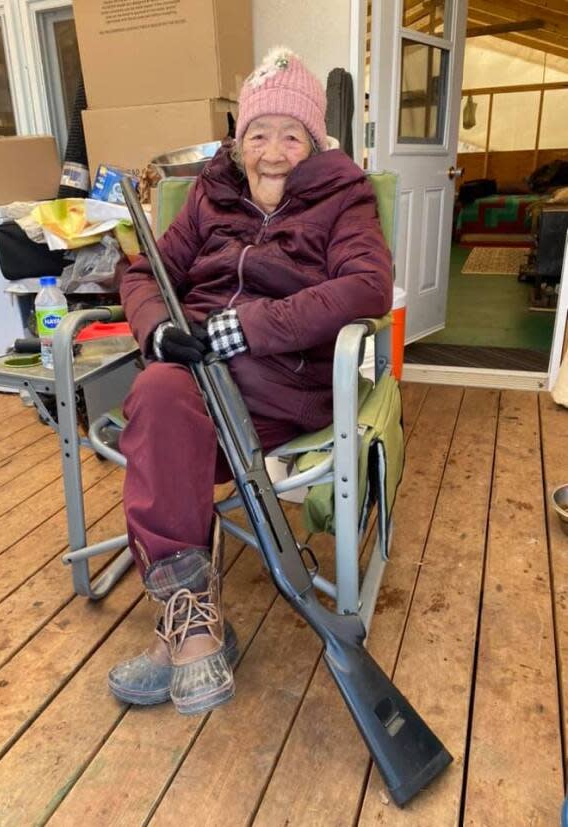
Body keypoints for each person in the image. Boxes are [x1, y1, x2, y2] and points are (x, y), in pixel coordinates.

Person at [109, 47, 393, 715]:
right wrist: (157, 331)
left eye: (290, 135)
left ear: (315, 143)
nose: (272, 151)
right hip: (194, 381)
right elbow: (141, 271)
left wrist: (251, 327)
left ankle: (190, 631)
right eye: (258, 134)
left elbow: (366, 285)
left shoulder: (342, 196)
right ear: (239, 143)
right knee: (156, 389)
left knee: (161, 430)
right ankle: (197, 628)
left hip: (278, 387)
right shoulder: (212, 195)